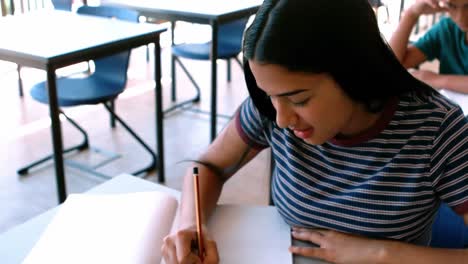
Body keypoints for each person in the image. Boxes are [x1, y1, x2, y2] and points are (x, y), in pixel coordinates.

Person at [161, 0, 468, 263]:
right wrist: (188, 223)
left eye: (300, 99)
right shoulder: (271, 108)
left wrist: (383, 254)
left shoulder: (437, 131)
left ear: (354, 72)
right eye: (270, 95)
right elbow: (208, 166)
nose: (281, 119)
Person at [390, 0, 468, 93]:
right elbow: (391, 65)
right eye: (452, 6)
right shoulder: (447, 28)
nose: (461, 18)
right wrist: (411, 14)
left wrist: (436, 80)